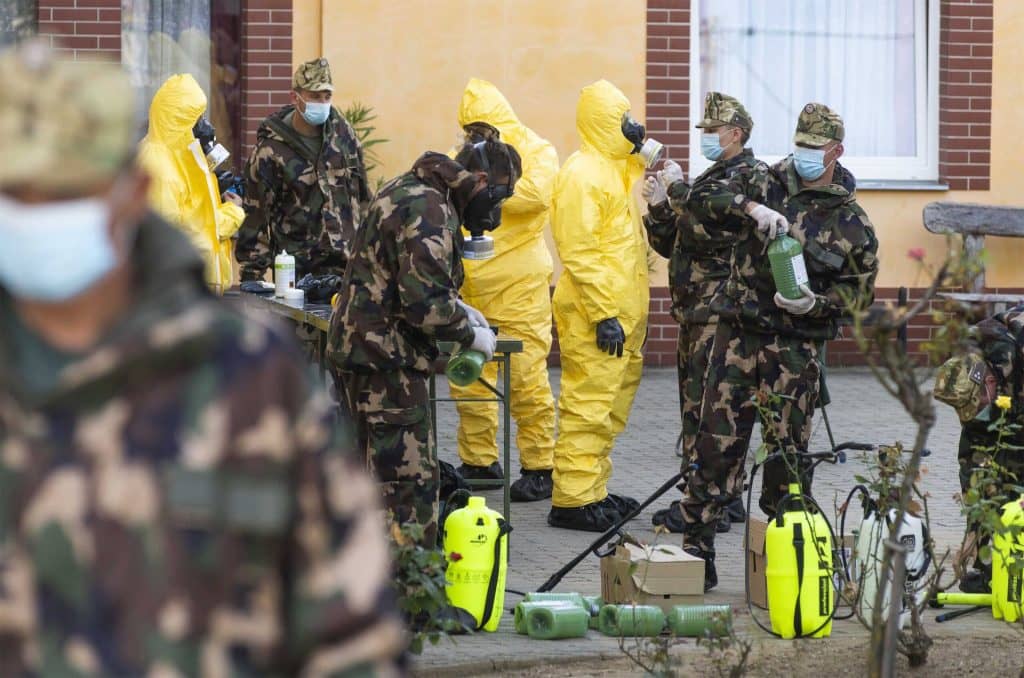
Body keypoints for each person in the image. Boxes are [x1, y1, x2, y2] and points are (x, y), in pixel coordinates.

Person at [0, 42, 405, 675]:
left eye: (69, 192)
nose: (40, 215)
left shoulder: (247, 377)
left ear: (130, 192)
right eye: (16, 193)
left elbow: (348, 633)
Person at [677, 103, 878, 589]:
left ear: (836, 151)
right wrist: (750, 208)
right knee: (714, 447)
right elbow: (700, 201)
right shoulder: (760, 181)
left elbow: (859, 294)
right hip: (738, 337)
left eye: (814, 147)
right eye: (800, 144)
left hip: (794, 351)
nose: (803, 154)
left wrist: (817, 304)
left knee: (788, 459)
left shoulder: (852, 223)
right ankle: (696, 553)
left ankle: (787, 563)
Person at [327, 140, 522, 548]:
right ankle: (410, 585)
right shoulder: (430, 210)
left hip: (364, 355)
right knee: (407, 491)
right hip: (385, 365)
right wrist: (469, 333)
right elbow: (425, 305)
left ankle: (363, 577)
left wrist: (458, 306)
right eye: (499, 196)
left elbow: (403, 277)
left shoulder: (412, 189)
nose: (495, 211)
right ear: (480, 180)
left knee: (367, 482)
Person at [642, 92, 759, 535]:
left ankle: (713, 502)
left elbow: (712, 226)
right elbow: (677, 244)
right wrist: (659, 209)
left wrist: (679, 193)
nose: (706, 137)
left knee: (715, 412)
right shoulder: (713, 177)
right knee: (696, 409)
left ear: (736, 134)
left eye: (713, 130)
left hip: (722, 311)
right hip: (695, 310)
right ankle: (711, 495)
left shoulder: (748, 177)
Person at [448, 78, 559, 501]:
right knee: (470, 378)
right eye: (469, 130)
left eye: (481, 129)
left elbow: (534, 195)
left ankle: (540, 466)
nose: (474, 136)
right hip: (472, 283)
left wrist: (482, 182)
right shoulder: (465, 154)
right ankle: (479, 461)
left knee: (526, 378)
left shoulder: (538, 150)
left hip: (519, 286)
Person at [547, 80, 650, 532]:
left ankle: (593, 490)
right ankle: (572, 499)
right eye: (623, 118)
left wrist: (637, 150)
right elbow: (581, 250)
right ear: (604, 122)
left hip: (619, 314)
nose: (633, 124)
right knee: (588, 403)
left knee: (609, 406)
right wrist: (604, 313)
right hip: (597, 314)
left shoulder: (610, 169)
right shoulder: (583, 173)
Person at [235, 57, 370, 282]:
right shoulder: (271, 150)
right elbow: (255, 216)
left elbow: (362, 196)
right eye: (315, 96)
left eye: (327, 96)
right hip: (296, 271)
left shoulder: (344, 137)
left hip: (347, 268)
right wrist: (252, 276)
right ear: (295, 97)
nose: (322, 103)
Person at [933, 304, 1024, 593]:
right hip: (1005, 409)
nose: (972, 415)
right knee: (989, 482)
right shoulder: (975, 351)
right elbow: (974, 467)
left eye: (977, 406)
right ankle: (989, 571)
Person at [138, 72, 246, 294]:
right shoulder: (159, 166)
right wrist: (233, 213)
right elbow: (176, 233)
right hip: (178, 289)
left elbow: (195, 217)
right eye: (198, 118)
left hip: (192, 286)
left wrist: (221, 201)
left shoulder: (181, 156)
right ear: (180, 122)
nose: (205, 126)